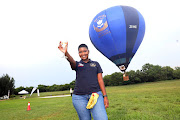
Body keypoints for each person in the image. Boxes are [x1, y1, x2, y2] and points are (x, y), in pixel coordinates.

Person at [58, 41, 109, 120]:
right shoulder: (77, 65)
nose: (83, 53)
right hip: (79, 98)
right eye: (80, 52)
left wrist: (105, 96)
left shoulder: (96, 64)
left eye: (85, 51)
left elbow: (100, 80)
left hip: (96, 95)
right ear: (78, 54)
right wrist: (66, 53)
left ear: (88, 51)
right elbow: (71, 61)